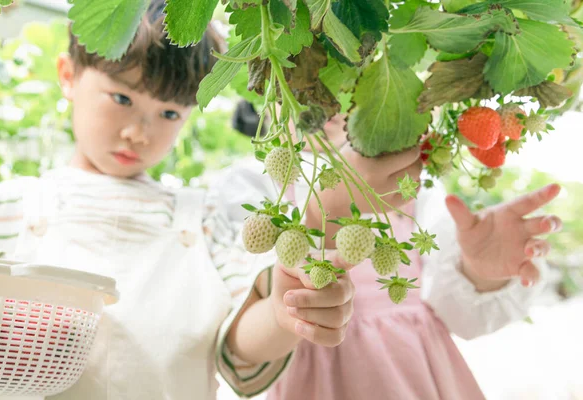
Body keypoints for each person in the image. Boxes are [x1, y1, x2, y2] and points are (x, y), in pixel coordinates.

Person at [0, 3, 358, 398]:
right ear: (68, 76)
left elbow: (238, 344)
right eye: (122, 99)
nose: (139, 133)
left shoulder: (205, 221)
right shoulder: (3, 210)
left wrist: (284, 313)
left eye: (168, 113)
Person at [212, 112, 563, 400]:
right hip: (316, 378)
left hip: (417, 370)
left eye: (347, 78)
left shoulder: (410, 185)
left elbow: (456, 314)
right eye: (303, 72)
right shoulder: (253, 185)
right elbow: (241, 329)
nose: (323, 96)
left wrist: (479, 272)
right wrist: (325, 213)